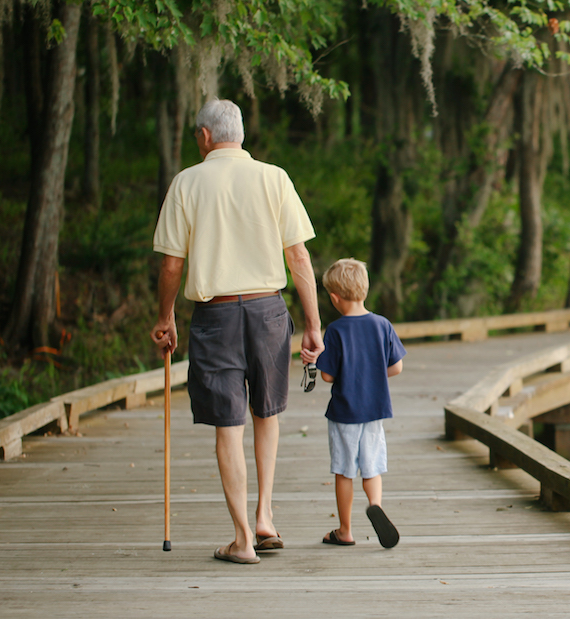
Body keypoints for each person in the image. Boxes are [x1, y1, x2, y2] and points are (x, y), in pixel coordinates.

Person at [150, 99, 323, 565]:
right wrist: (313, 323)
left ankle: (244, 538)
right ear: (240, 134)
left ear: (205, 136)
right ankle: (265, 516)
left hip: (216, 315)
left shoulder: (187, 182)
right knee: (267, 414)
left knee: (229, 425)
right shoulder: (275, 177)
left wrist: (165, 317)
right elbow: (300, 258)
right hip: (268, 311)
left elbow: (171, 265)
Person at [315, 258, 405, 549]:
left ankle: (345, 530)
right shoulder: (382, 325)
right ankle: (375, 504)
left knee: (344, 470)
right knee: (372, 466)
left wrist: (316, 362)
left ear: (334, 297)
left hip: (344, 412)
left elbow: (327, 376)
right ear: (365, 290)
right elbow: (397, 367)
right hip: (375, 409)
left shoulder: (336, 331)